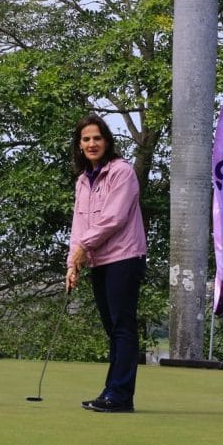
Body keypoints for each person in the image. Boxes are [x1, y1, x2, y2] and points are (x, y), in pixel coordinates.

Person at [65, 114, 148, 413]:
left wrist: (84, 247)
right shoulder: (82, 180)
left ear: (107, 141)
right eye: (85, 139)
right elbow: (79, 223)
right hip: (99, 260)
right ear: (79, 145)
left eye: (96, 138)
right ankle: (111, 391)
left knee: (123, 326)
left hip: (125, 257)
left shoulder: (122, 172)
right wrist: (72, 261)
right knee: (112, 328)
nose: (91, 144)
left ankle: (121, 395)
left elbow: (114, 218)